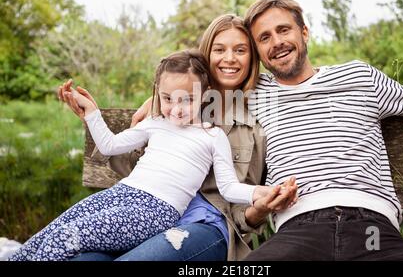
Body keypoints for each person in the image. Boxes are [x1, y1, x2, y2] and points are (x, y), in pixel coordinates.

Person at [57, 14, 298, 261]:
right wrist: (156, 103)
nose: (229, 58)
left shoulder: (257, 117)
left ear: (252, 57)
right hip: (149, 212)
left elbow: (238, 197)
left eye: (240, 50)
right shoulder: (174, 107)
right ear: (207, 54)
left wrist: (258, 207)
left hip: (206, 222)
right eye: (219, 49)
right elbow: (127, 166)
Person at [9, 49, 279, 261]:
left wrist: (259, 193)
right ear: (158, 94)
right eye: (167, 98)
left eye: (186, 99)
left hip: (155, 210)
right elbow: (110, 146)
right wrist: (92, 113)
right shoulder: (155, 123)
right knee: (55, 228)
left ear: (205, 95)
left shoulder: (211, 136)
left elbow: (229, 187)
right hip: (119, 194)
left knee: (70, 236)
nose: (176, 108)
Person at [242, 0, 403, 260]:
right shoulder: (254, 95)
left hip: (372, 230)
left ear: (304, 32)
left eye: (284, 30)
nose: (277, 42)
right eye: (264, 38)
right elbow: (192, 95)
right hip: (298, 231)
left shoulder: (359, 77)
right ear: (258, 52)